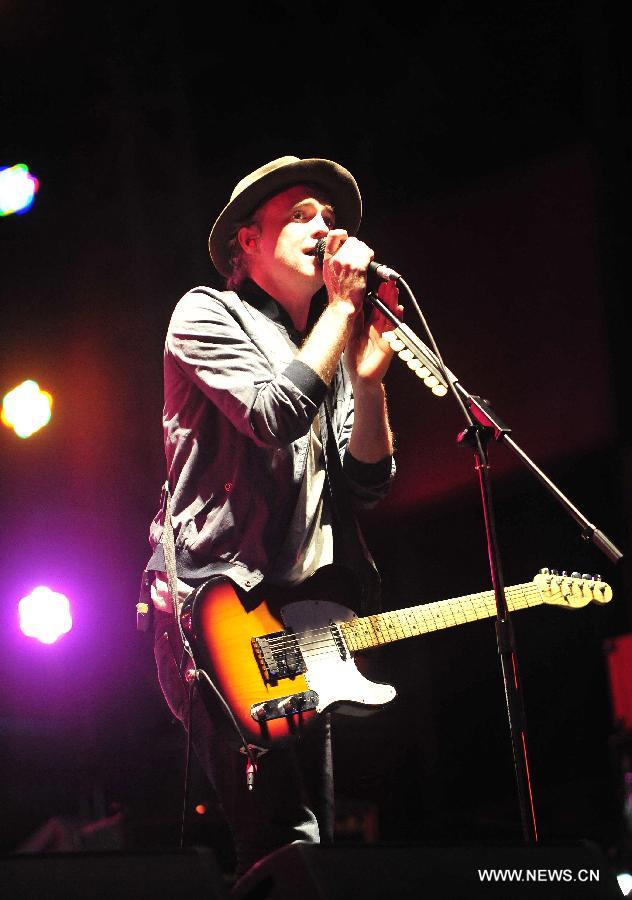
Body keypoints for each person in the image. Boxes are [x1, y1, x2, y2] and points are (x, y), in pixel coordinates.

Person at [140, 155, 402, 879]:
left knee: (310, 837)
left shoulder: (328, 347)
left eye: (331, 216)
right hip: (217, 614)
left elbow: (368, 484)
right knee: (285, 838)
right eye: (302, 214)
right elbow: (275, 412)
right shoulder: (203, 312)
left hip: (301, 617)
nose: (326, 227)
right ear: (246, 242)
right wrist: (345, 314)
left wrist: (371, 385)